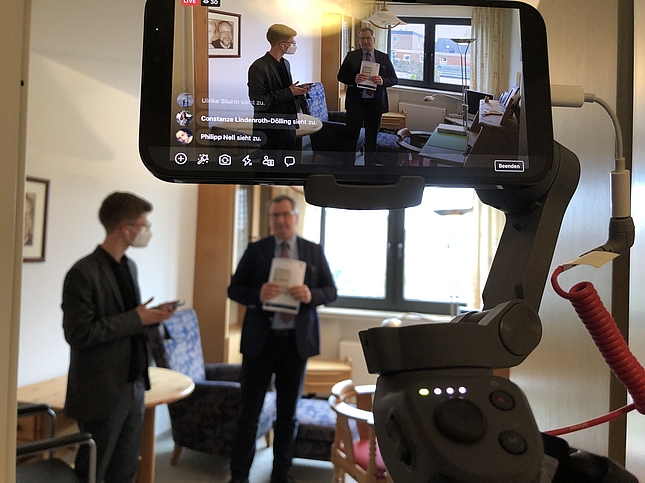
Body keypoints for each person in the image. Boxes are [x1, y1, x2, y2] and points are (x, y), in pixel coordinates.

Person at [61, 191, 178, 483]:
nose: (147, 230)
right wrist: (137, 318)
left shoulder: (129, 266)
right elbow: (79, 334)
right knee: (93, 470)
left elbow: (128, 322)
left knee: (125, 469)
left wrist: (151, 317)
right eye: (144, 224)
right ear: (125, 229)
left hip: (133, 382)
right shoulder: (82, 273)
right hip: (100, 388)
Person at [227, 195, 337, 483]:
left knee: (288, 415)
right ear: (270, 219)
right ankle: (239, 477)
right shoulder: (256, 250)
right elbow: (234, 289)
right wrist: (258, 295)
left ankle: (280, 476)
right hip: (260, 343)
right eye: (275, 215)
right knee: (248, 414)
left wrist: (311, 295)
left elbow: (331, 291)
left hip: (295, 345)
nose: (280, 220)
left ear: (296, 217)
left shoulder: (313, 251)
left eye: (286, 214)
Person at [337, 27, 398, 167]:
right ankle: (347, 169)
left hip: (374, 105)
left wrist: (382, 81)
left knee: (371, 140)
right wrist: (354, 79)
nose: (365, 41)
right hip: (355, 104)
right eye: (362, 38)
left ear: (374, 39)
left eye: (368, 38)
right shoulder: (351, 56)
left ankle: (369, 170)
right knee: (351, 138)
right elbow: (340, 76)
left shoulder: (383, 57)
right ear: (359, 41)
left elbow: (394, 79)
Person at [248, 24, 310, 157]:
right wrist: (289, 92)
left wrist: (298, 91)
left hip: (289, 124)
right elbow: (258, 100)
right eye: (292, 42)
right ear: (281, 45)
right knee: (271, 165)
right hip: (270, 128)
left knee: (288, 163)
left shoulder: (285, 63)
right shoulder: (258, 67)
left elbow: (285, 91)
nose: (294, 45)